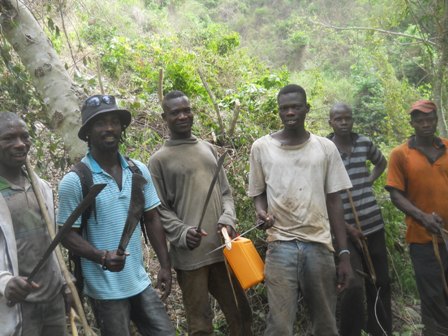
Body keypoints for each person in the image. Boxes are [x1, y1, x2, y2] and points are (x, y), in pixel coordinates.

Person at [57, 95, 175, 336]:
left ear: (122, 128)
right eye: (100, 123)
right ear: (88, 131)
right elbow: (67, 235)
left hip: (140, 282)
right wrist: (101, 256)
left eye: (114, 121)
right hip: (105, 292)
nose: (109, 128)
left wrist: (165, 265)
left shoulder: (137, 170)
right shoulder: (76, 180)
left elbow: (152, 218)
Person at [248, 84, 353, 336]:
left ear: (307, 109)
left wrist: (345, 253)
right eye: (285, 108)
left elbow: (334, 202)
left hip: (319, 245)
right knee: (280, 326)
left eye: (296, 107)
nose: (290, 112)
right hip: (280, 245)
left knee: (326, 323)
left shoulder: (325, 149)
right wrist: (262, 213)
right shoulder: (261, 147)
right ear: (279, 112)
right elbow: (258, 194)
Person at [148, 90, 252, 336]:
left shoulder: (207, 148)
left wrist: (228, 218)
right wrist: (183, 232)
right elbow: (159, 209)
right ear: (165, 117)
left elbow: (225, 192)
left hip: (224, 251)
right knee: (200, 325)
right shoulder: (159, 160)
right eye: (175, 113)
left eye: (187, 110)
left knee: (241, 314)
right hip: (190, 258)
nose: (183, 116)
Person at [0, 112, 70, 336]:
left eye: (25, 137)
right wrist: (4, 282)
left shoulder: (41, 188)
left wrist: (64, 280)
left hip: (52, 301)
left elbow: (50, 241)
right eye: (9, 138)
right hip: (16, 306)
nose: (20, 144)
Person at [328, 102, 391, 336]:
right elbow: (322, 194)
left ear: (352, 120)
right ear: (330, 122)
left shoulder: (364, 142)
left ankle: (382, 330)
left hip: (373, 224)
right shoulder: (325, 149)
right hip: (343, 230)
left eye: (347, 118)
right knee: (352, 284)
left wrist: (368, 181)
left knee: (380, 280)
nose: (344, 123)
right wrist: (345, 227)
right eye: (338, 119)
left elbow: (381, 162)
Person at [386, 100, 448, 335]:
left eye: (429, 119)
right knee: (432, 295)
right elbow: (395, 194)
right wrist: (423, 218)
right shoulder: (401, 154)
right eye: (419, 120)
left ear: (436, 120)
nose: (425, 124)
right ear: (412, 123)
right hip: (423, 239)